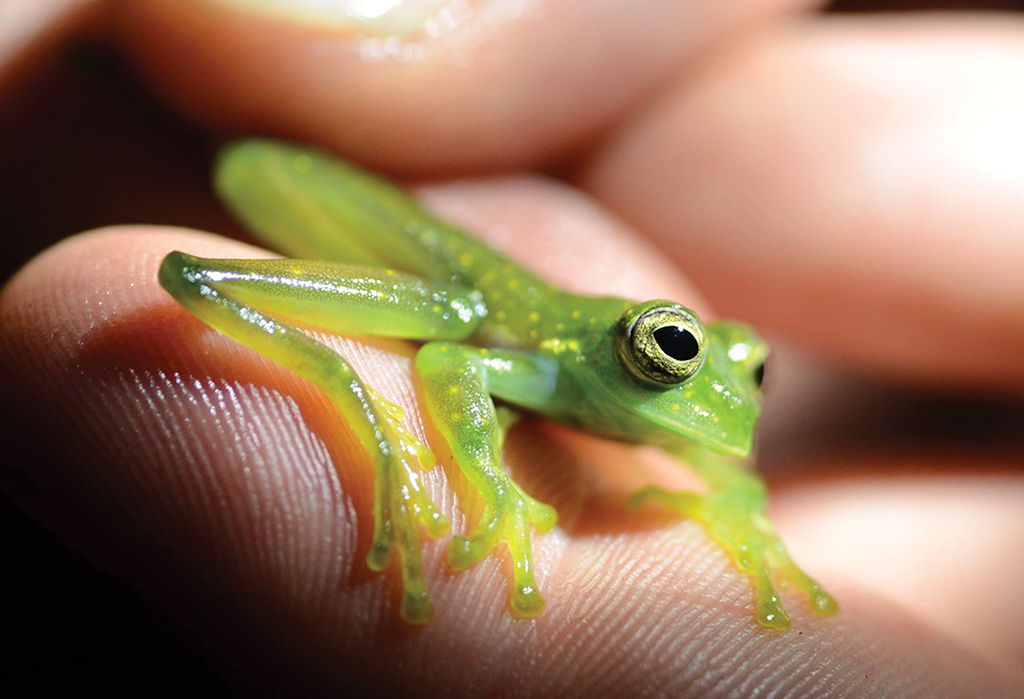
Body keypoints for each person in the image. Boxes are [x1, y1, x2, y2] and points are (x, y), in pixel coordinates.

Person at [1, 0, 1022, 694]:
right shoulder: (570, 358)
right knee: (418, 316)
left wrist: (741, 520)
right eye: (673, 350)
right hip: (444, 277)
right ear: (632, 350)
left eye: (742, 368)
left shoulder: (678, 410)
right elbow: (456, 367)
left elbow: (734, 475)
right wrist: (406, 436)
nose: (723, 392)